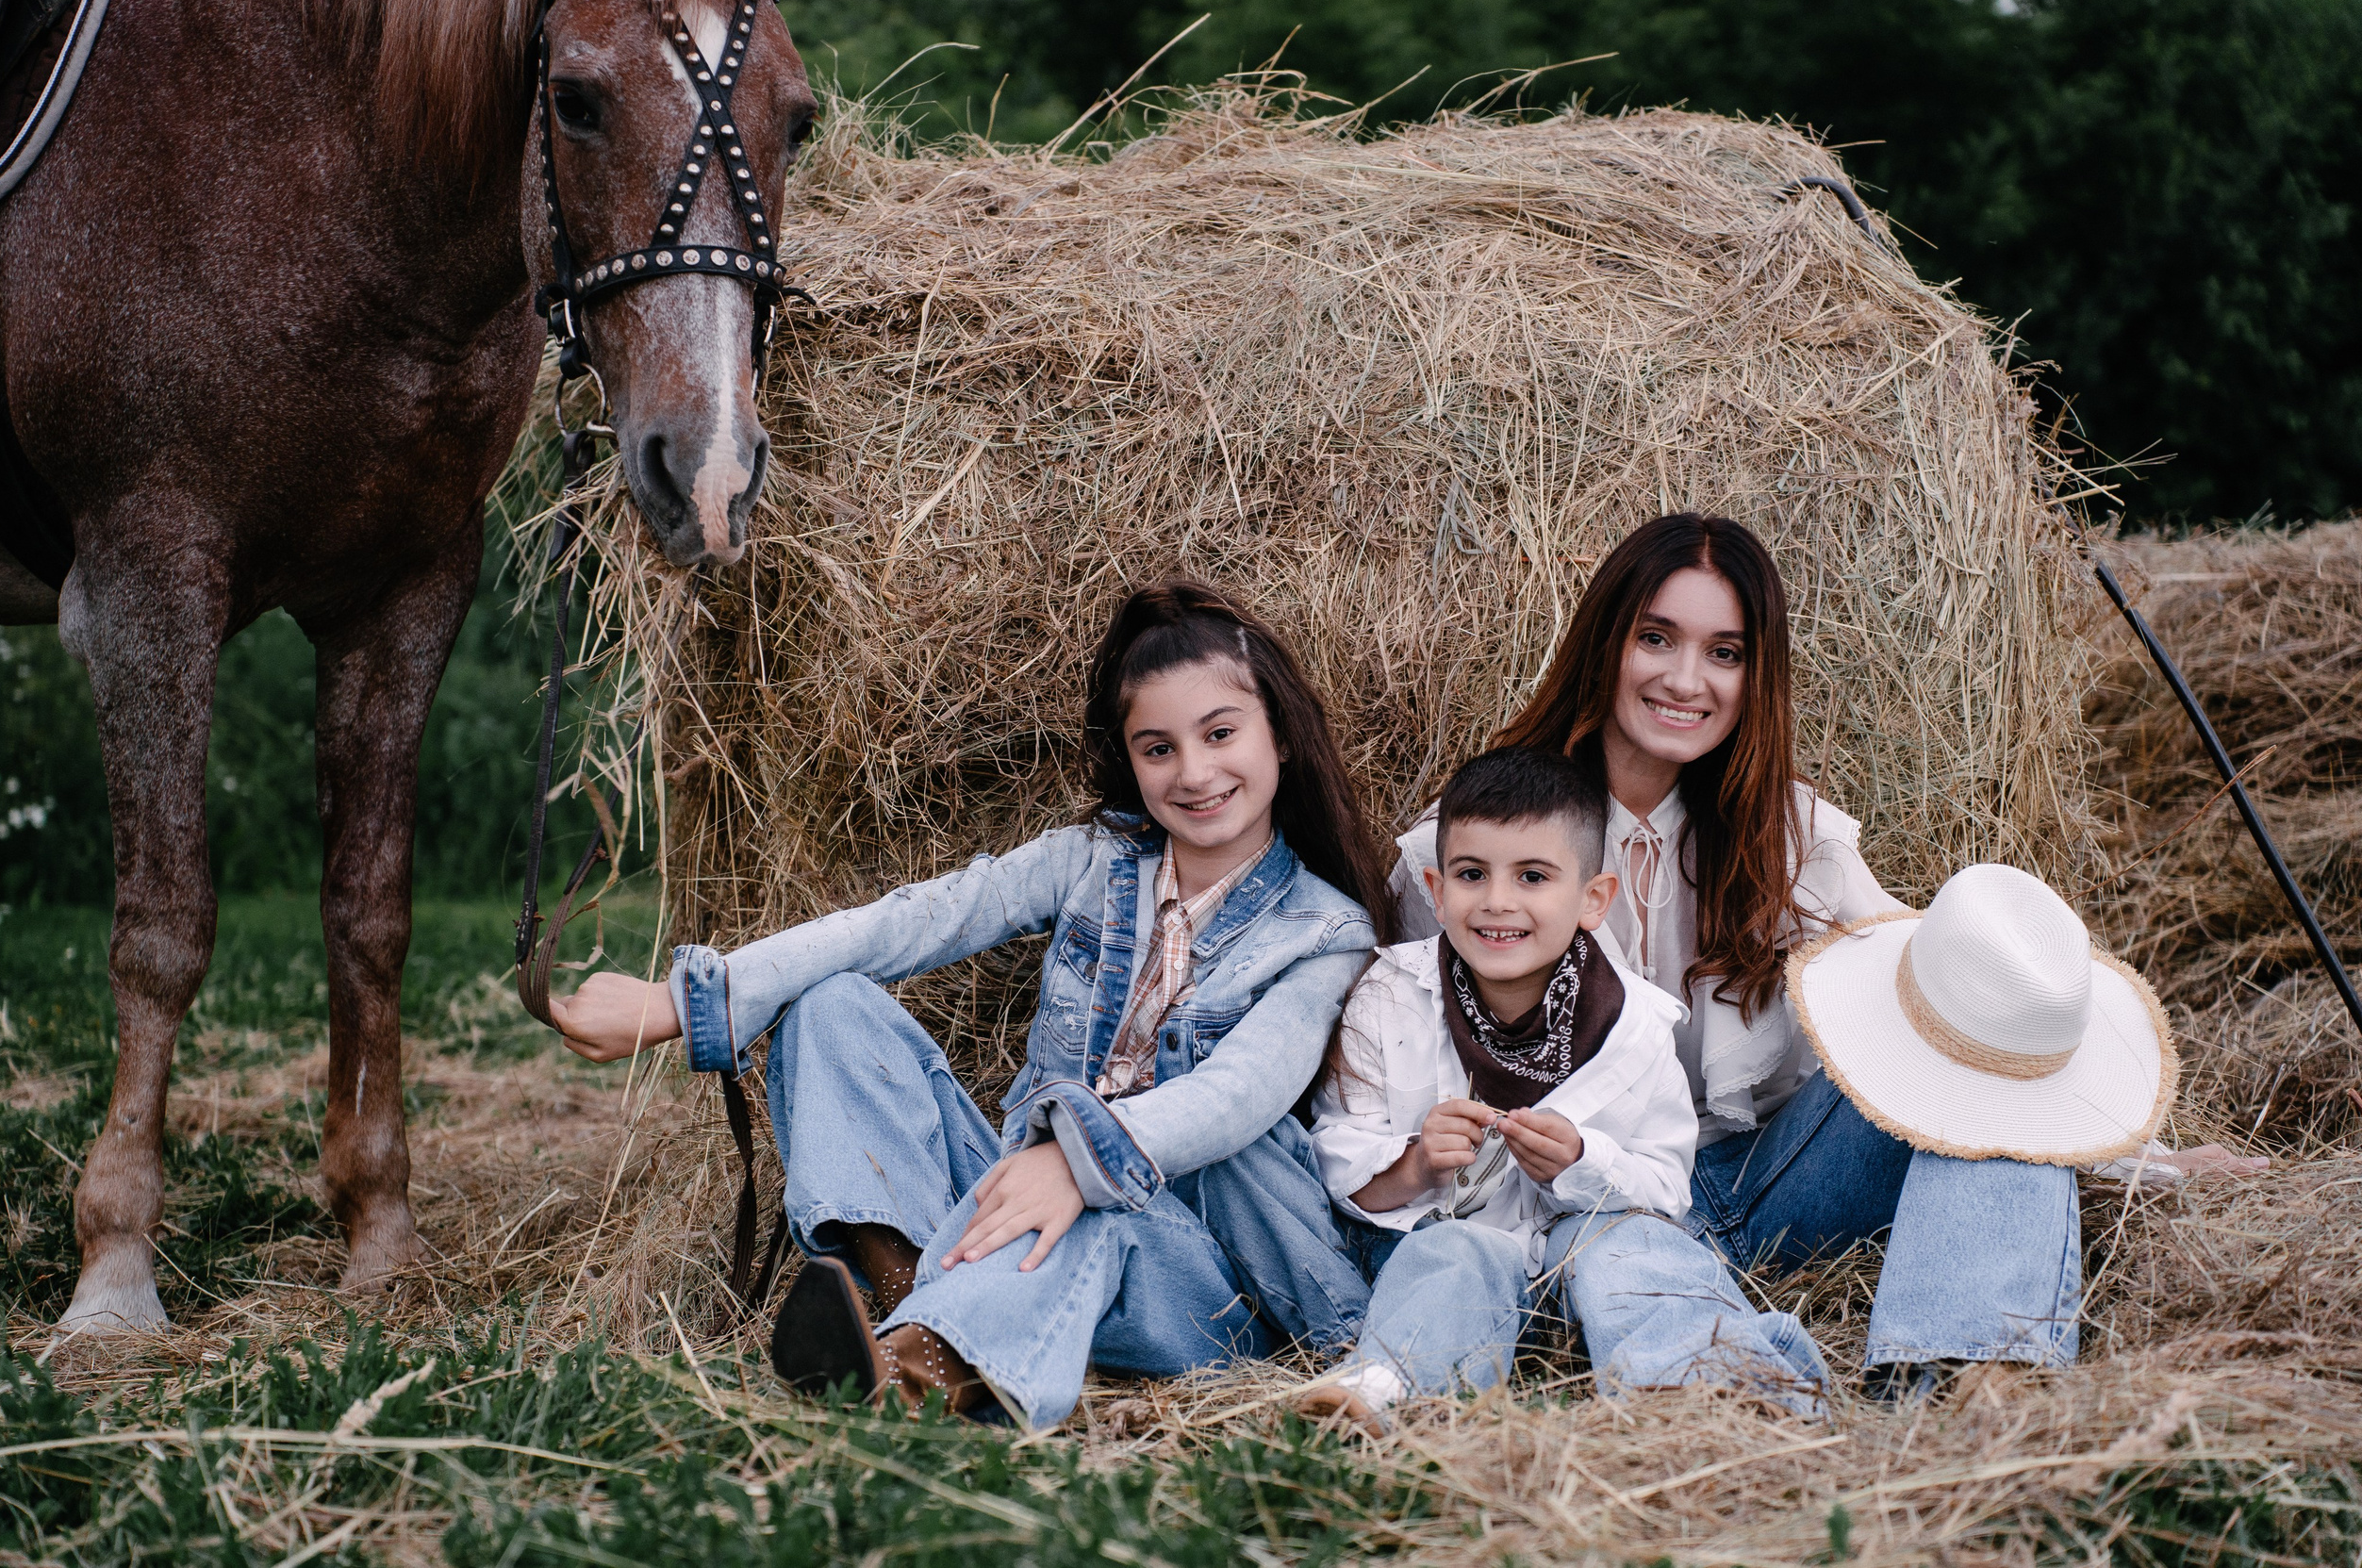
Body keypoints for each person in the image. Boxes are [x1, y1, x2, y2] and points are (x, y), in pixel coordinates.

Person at [551, 579, 1385, 1429]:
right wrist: (691, 1002)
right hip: (1013, 1209)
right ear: (1130, 760)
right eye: (1158, 747)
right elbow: (911, 921)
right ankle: (913, 1296)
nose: (1196, 771)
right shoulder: (1095, 860)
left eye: (1220, 733)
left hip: (1193, 1281)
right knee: (832, 1007)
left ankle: (921, 1376)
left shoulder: (1324, 933)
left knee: (1091, 1209)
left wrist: (1077, 1164)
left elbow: (1238, 1093)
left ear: (1279, 732)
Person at [1388, 512, 2087, 1399]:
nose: (1688, 679)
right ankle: (1720, 1386)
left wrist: (2125, 1153)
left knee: (1965, 1036)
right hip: (1587, 1199)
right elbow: (1393, 1058)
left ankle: (1966, 1380)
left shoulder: (1796, 839)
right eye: (1656, 638)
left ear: (1757, 674)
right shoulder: (1468, 854)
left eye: (1725, 652)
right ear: (1607, 644)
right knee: (1625, 1259)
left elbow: (1968, 1001)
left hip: (1766, 1177)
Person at [1297, 746, 1824, 1432]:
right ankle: (1399, 1393)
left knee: (1631, 1250)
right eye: (1471, 873)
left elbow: (1666, 1186)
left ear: (1591, 899)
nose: (1497, 901)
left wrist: (1584, 1163)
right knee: (1452, 1254)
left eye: (1533, 876)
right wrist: (1416, 1163)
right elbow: (1333, 1151)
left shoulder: (1634, 1024)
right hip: (1453, 1255)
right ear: (1435, 889)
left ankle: (1710, 1387)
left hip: (1580, 1251)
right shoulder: (1390, 995)